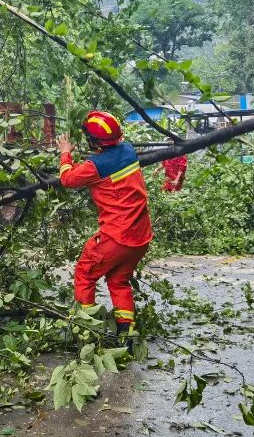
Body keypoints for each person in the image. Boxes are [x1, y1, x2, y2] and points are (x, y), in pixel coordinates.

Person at [57, 110, 153, 348]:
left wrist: (65, 154)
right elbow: (98, 167)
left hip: (116, 237)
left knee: (85, 274)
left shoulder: (95, 165)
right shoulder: (128, 151)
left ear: (95, 142)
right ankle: (126, 335)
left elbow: (68, 180)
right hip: (140, 238)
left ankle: (86, 331)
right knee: (118, 281)